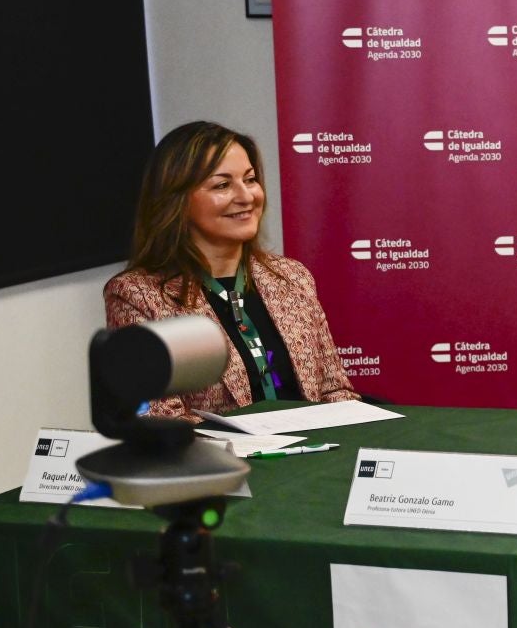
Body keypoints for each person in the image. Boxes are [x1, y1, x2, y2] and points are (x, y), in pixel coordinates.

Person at [104, 121, 358, 420]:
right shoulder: (137, 295)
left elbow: (335, 392)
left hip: (319, 457)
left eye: (250, 180)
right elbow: (160, 420)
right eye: (222, 185)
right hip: (226, 463)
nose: (247, 196)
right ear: (177, 200)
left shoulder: (292, 276)